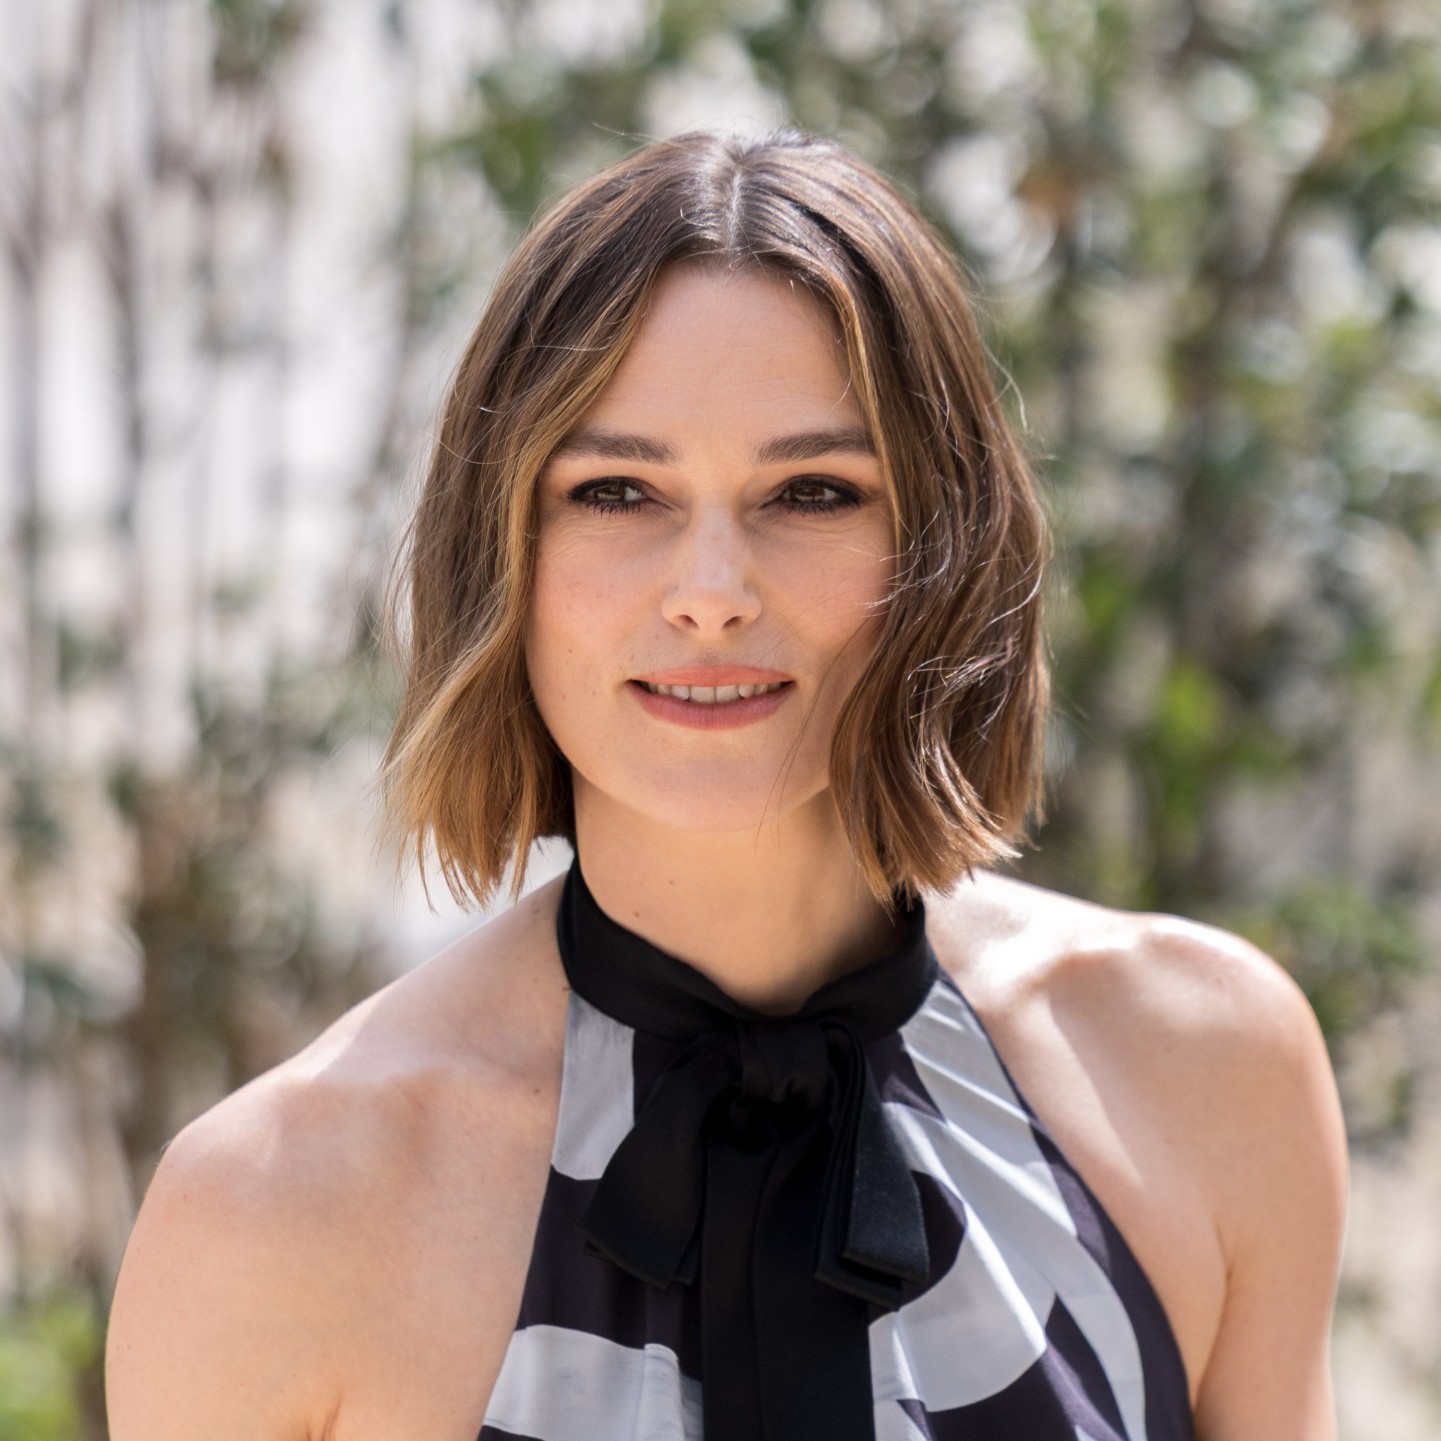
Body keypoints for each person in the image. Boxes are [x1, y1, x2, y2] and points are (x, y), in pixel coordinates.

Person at [104, 130, 1347, 1441]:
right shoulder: (275, 1208)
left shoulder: (1202, 1066)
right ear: (503, 550)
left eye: (812, 490)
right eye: (617, 488)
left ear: (944, 541)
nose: (710, 591)